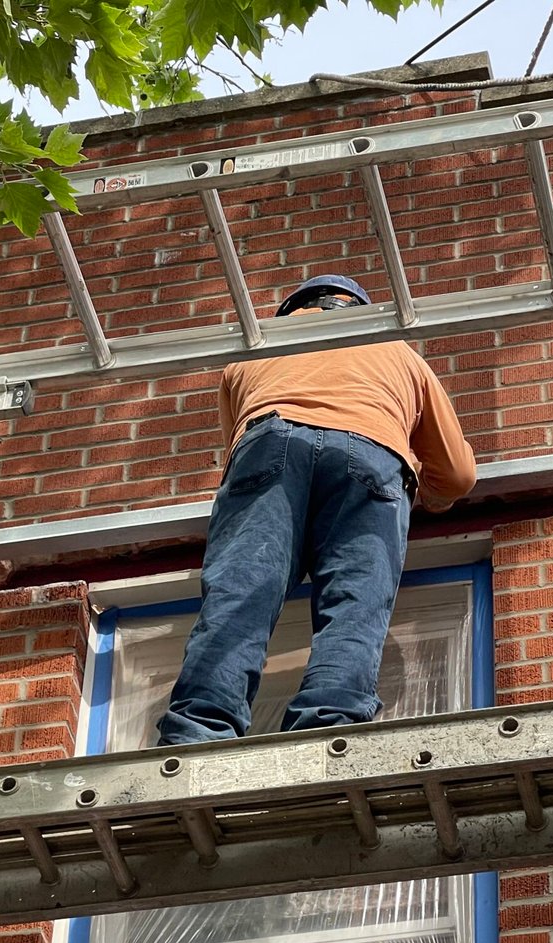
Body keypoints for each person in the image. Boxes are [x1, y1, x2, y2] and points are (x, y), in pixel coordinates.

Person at [156, 273, 477, 746]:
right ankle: (329, 727)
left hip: (270, 440)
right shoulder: (399, 355)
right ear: (362, 309)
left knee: (242, 594)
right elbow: (458, 475)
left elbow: (238, 449)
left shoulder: (253, 352)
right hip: (372, 450)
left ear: (291, 310)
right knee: (354, 602)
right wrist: (431, 495)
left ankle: (197, 732)